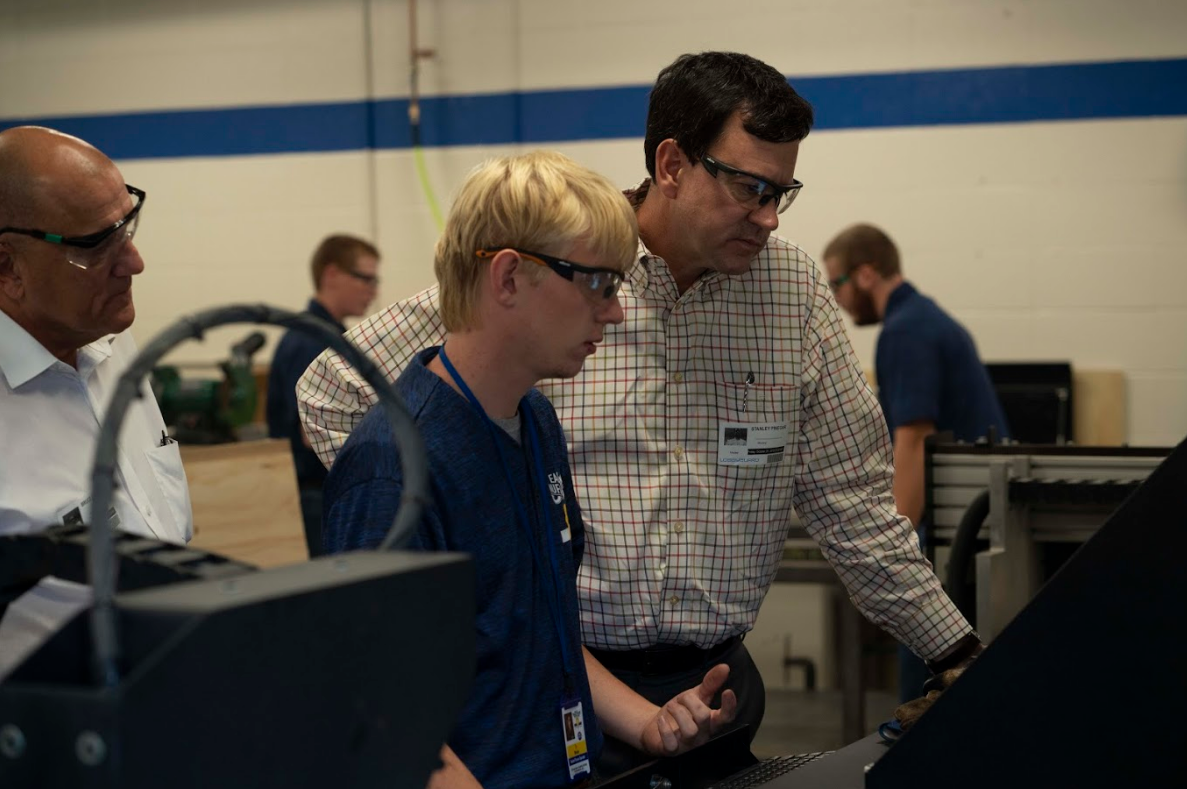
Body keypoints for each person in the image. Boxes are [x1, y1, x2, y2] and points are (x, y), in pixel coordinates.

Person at [299, 52, 981, 766]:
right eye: (750, 188)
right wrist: (475, 543)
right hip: (559, 684)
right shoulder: (551, 268)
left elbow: (854, 502)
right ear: (671, 164)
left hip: (707, 696)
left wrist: (956, 651)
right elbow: (331, 391)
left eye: (783, 192)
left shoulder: (791, 296)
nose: (769, 218)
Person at [321, 151, 735, 789]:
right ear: (509, 277)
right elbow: (382, 718)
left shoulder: (535, 421)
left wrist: (649, 723)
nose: (616, 311)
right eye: (598, 283)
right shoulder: (391, 469)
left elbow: (542, 628)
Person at [822, 222, 1007, 700]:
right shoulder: (925, 319)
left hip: (954, 527)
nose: (835, 299)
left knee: (928, 684)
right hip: (975, 522)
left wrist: (896, 546)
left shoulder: (905, 332)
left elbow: (915, 440)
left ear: (865, 275)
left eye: (836, 283)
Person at [0, 126, 191, 543]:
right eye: (96, 246)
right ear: (8, 268)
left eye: (126, 229)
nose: (134, 263)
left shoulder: (109, 339)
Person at [266, 233, 380, 556]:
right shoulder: (311, 343)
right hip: (314, 498)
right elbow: (314, 433)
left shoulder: (331, 338)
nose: (373, 290)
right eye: (365, 278)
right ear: (331, 275)